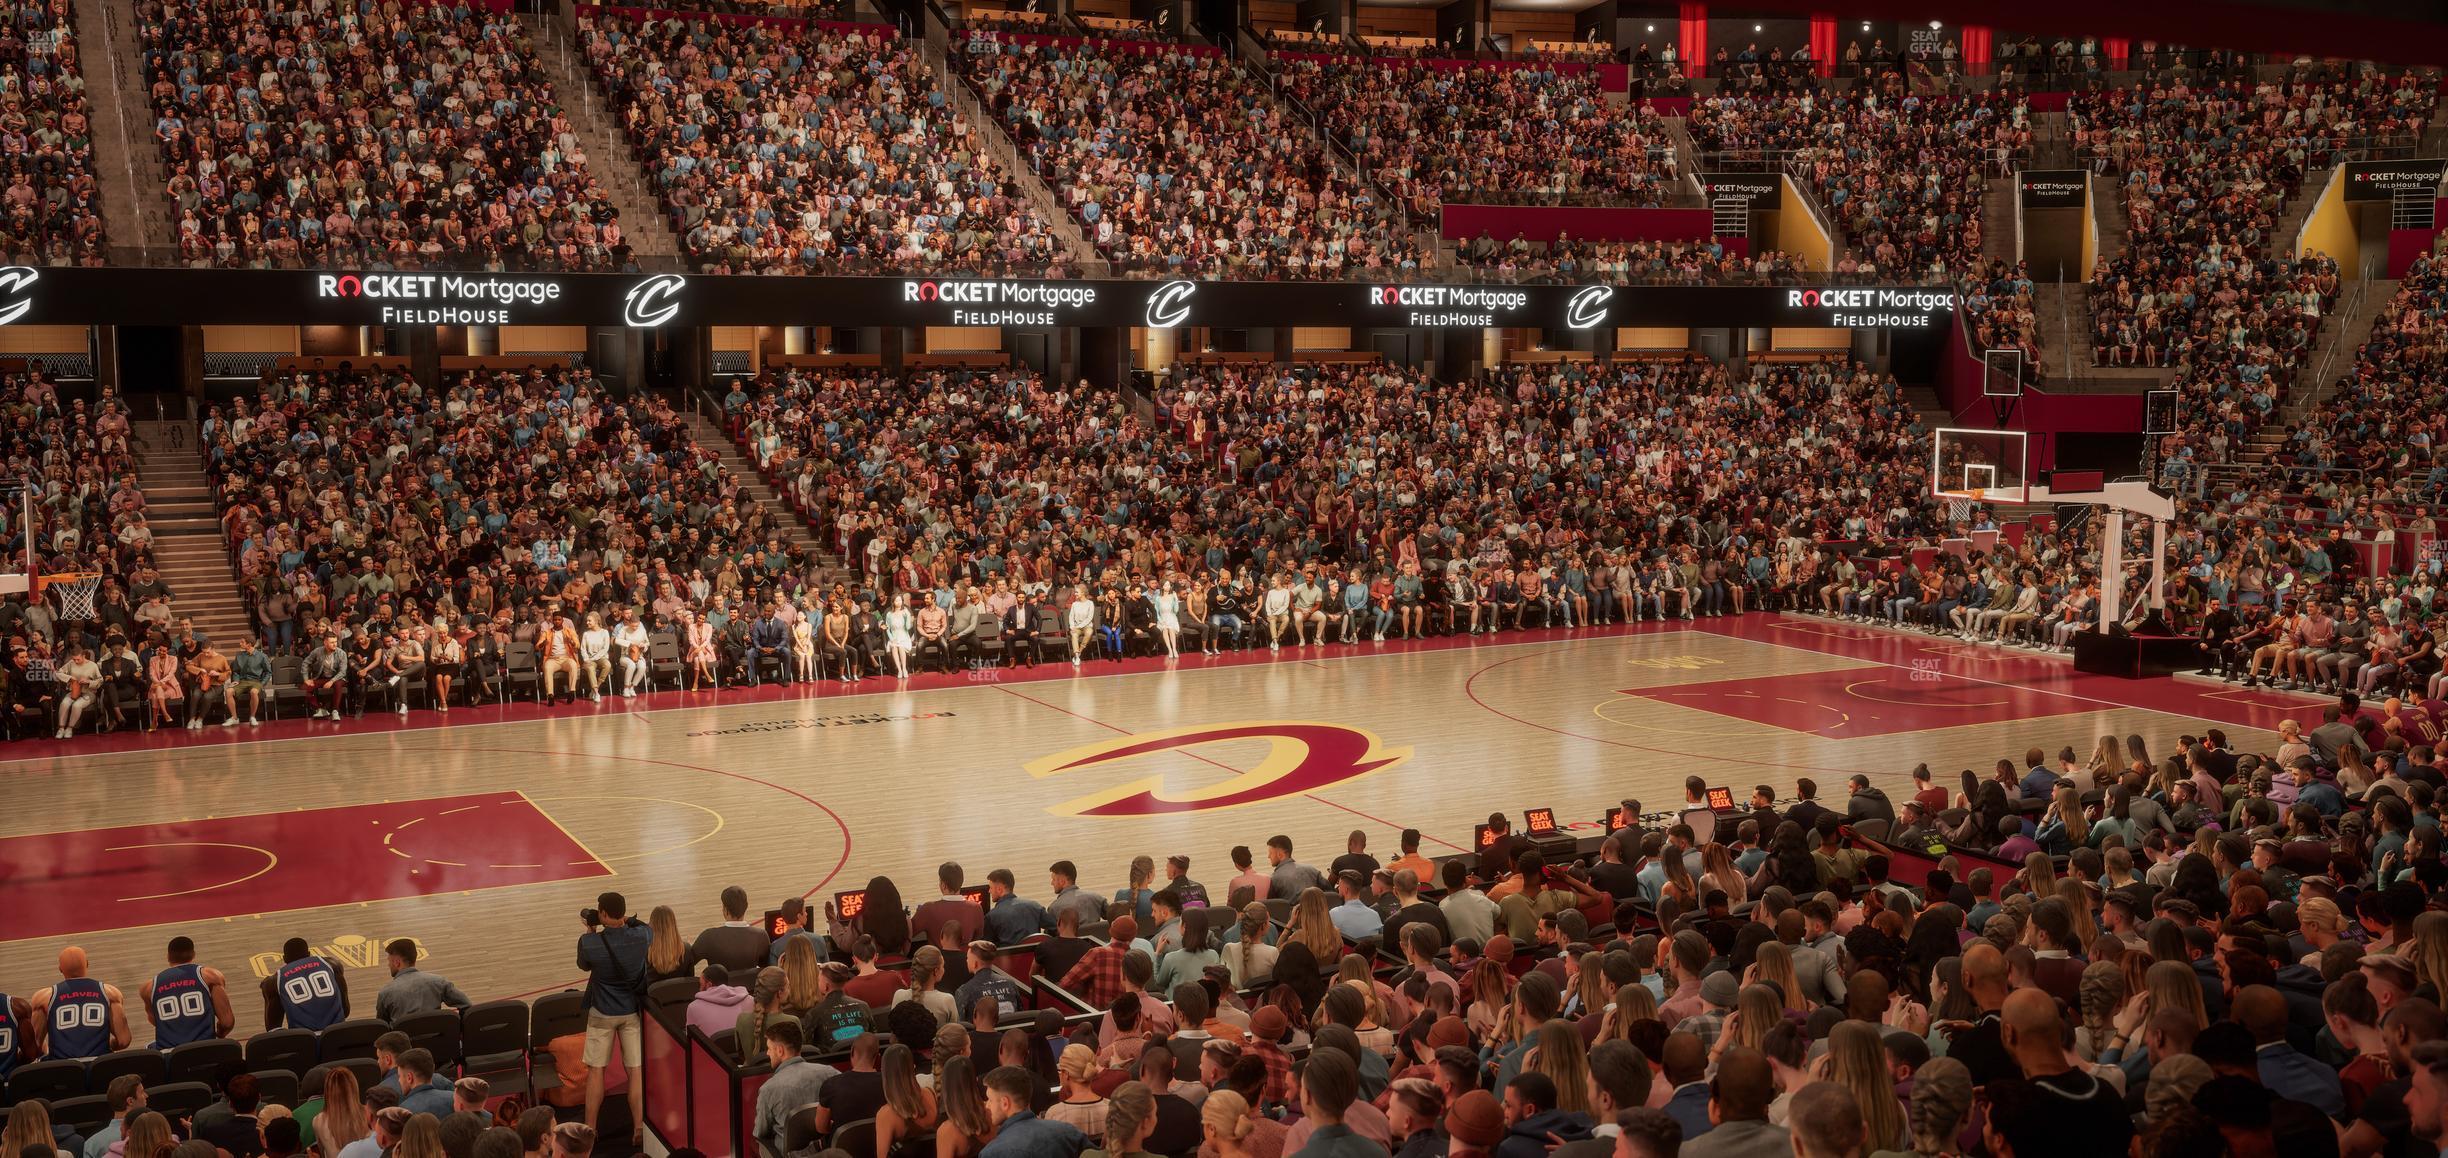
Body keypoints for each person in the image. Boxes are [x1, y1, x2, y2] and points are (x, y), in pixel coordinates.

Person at [576, 892, 653, 1142]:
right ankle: (639, 1129)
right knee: (635, 1071)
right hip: (631, 1011)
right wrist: (625, 920)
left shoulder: (589, 942)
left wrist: (590, 930)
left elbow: (584, 965)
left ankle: (590, 1128)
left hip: (602, 1012)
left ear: (603, 914)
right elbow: (646, 927)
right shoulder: (641, 937)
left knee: (596, 1071)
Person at [751, 1020, 835, 1158]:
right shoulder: (831, 1073)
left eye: (769, 1048)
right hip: (827, 1151)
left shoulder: (768, 1089)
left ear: (780, 1050)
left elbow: (760, 1133)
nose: (767, 1053)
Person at [29, 947, 127, 1059]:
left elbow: (35, 1047)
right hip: (99, 1065)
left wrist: (46, 1051)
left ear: (60, 969)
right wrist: (108, 1046)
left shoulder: (43, 997)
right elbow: (124, 1041)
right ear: (87, 964)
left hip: (63, 1068)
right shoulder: (111, 993)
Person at [137, 937, 232, 1048]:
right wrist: (219, 1035)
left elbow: (155, 1021)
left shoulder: (148, 987)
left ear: (168, 956)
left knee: (150, 1047)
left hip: (171, 1055)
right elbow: (227, 1022)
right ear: (193, 954)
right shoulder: (210, 976)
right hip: (206, 1048)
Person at [981, 1063, 1087, 1158]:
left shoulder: (992, 1153)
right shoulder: (1069, 1132)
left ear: (1005, 1103)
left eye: (990, 1100)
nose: (987, 1106)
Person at [374, 939, 472, 1023]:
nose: (388, 965)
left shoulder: (385, 993)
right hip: (438, 1042)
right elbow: (466, 1005)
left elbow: (383, 1027)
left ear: (397, 962)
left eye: (389, 961)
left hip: (406, 1044)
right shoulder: (439, 982)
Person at [262, 937, 349, 1030]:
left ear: (284, 959)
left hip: (304, 1039)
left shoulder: (273, 981)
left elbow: (272, 1028)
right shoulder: (332, 964)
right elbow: (346, 1010)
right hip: (337, 1033)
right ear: (309, 954)